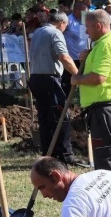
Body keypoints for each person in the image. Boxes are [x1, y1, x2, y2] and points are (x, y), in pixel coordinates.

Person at [70, 9, 111, 181]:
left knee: (109, 158)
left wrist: (77, 79)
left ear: (98, 25)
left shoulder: (107, 44)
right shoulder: (102, 44)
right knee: (104, 158)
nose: (86, 32)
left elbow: (98, 77)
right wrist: (86, 60)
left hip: (106, 109)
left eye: (88, 28)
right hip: (101, 108)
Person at [29, 12, 79, 162]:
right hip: (50, 80)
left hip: (36, 79)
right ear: (62, 23)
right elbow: (64, 57)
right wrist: (78, 75)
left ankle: (48, 153)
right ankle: (66, 155)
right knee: (61, 117)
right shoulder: (55, 33)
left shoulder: (38, 32)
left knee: (44, 118)